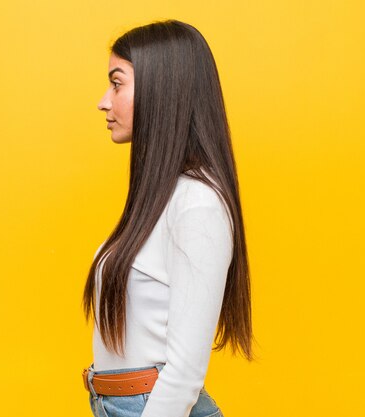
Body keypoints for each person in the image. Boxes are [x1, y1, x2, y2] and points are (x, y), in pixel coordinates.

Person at [82, 19, 255, 417]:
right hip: (123, 404)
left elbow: (184, 375)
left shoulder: (198, 205)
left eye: (117, 83)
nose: (103, 101)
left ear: (162, 89)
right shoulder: (163, 195)